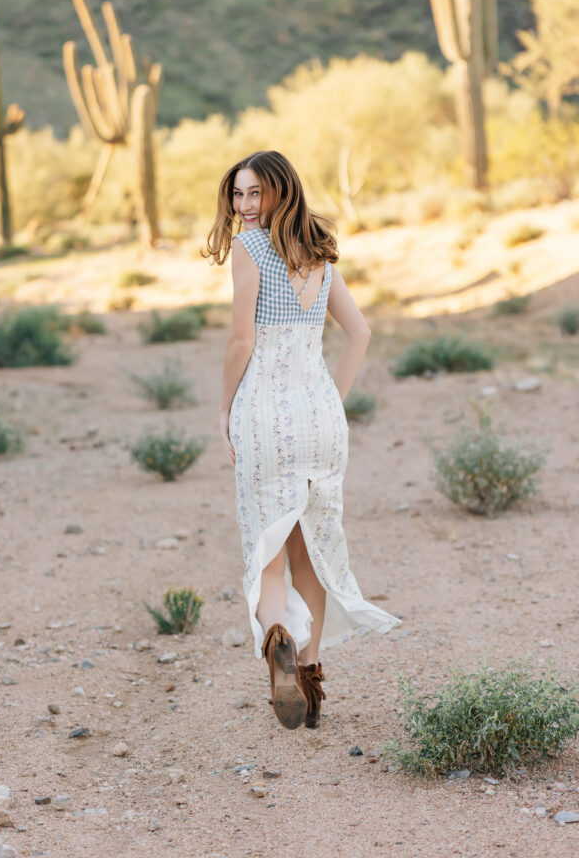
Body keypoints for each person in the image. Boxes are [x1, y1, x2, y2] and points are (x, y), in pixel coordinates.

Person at [204, 150, 400, 730]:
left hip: (264, 417)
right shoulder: (320, 253)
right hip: (319, 422)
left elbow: (241, 341)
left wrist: (224, 407)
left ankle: (281, 642)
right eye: (236, 195)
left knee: (267, 550)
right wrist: (329, 399)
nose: (243, 207)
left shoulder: (250, 250)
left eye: (254, 195)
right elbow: (359, 333)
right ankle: (310, 682)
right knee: (309, 550)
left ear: (279, 193)